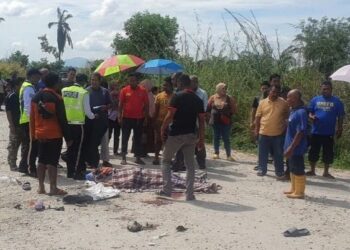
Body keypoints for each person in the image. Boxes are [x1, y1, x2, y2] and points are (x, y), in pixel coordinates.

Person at [157, 74, 205, 201]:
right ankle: (189, 194)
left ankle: (167, 191)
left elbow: (170, 115)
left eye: (176, 83)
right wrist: (201, 139)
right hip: (191, 136)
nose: (175, 85)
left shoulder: (176, 97)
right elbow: (201, 121)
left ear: (180, 83)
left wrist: (163, 128)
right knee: (190, 165)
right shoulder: (198, 100)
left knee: (166, 161)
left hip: (176, 135)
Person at [30, 72, 72, 195]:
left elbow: (31, 118)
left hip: (40, 134)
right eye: (59, 81)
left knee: (41, 160)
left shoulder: (36, 97)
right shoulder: (57, 98)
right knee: (52, 161)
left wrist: (33, 134)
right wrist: (68, 137)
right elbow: (62, 119)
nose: (60, 83)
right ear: (55, 83)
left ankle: (41, 187)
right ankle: (53, 188)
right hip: (54, 134)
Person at [307, 80, 345, 179]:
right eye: (323, 89)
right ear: (321, 89)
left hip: (329, 133)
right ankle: (312, 170)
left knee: (328, 152)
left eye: (327, 89)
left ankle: (326, 172)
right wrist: (311, 116)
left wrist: (340, 128)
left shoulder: (337, 102)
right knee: (313, 151)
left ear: (331, 90)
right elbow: (309, 112)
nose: (325, 91)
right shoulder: (315, 100)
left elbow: (340, 116)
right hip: (316, 131)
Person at [61, 74, 96, 179]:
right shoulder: (84, 92)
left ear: (75, 80)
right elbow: (87, 112)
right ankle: (76, 173)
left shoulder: (64, 90)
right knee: (78, 150)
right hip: (78, 124)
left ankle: (69, 172)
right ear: (85, 82)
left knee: (70, 148)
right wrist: (94, 116)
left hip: (66, 124)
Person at [254, 85, 289, 178]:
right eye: (273, 92)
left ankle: (279, 172)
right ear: (269, 92)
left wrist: (285, 128)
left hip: (278, 134)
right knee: (262, 154)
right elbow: (257, 117)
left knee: (278, 154)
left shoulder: (284, 103)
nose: (275, 94)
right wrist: (256, 130)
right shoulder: (262, 102)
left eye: (277, 92)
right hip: (263, 132)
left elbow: (287, 116)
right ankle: (262, 169)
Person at [118, 73, 149, 165]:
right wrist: (119, 116)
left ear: (137, 81)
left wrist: (146, 117)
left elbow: (147, 105)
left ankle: (138, 157)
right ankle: (123, 157)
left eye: (134, 80)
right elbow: (120, 104)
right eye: (130, 80)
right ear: (128, 81)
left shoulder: (143, 91)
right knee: (124, 138)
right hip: (126, 118)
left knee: (138, 139)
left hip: (139, 119)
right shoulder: (124, 90)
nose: (132, 82)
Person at [283, 89, 308, 199]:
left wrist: (291, 147)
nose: (287, 99)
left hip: (296, 147)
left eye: (289, 97)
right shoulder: (293, 110)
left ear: (296, 98)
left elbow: (300, 132)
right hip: (290, 145)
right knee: (292, 168)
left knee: (298, 168)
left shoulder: (301, 112)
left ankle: (300, 192)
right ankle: (294, 189)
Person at [84, 72, 111, 169]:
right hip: (90, 120)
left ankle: (105, 161)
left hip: (102, 121)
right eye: (92, 80)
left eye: (95, 80)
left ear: (100, 81)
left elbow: (110, 104)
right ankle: (92, 162)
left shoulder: (105, 91)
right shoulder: (86, 91)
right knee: (91, 142)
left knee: (104, 142)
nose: (93, 82)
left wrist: (105, 107)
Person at [18, 68, 41, 176]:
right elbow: (28, 106)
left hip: (26, 120)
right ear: (31, 76)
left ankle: (23, 166)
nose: (38, 79)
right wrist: (33, 120)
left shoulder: (27, 86)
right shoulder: (28, 88)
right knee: (31, 146)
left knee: (28, 145)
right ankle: (29, 168)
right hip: (28, 120)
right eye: (37, 77)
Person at [207, 82, 237, 161]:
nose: (225, 90)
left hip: (226, 122)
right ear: (218, 89)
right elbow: (208, 109)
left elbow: (234, 110)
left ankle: (228, 155)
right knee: (216, 137)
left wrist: (228, 113)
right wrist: (209, 118)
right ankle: (216, 153)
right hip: (215, 121)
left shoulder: (229, 98)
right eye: (223, 88)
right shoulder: (212, 97)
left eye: (225, 88)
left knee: (226, 138)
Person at [153, 77, 173, 165]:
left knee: (169, 141)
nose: (164, 86)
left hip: (171, 122)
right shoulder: (159, 96)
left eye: (166, 85)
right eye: (163, 85)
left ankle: (168, 159)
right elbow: (156, 110)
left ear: (171, 86)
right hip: (160, 122)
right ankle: (156, 157)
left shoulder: (175, 96)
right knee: (158, 140)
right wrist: (154, 121)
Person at [191, 75, 208, 169]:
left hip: (198, 121)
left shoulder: (202, 93)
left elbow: (204, 108)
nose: (191, 83)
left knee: (200, 142)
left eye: (193, 82)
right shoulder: (187, 91)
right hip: (189, 121)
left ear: (196, 83)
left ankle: (201, 162)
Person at [5, 79, 22, 171]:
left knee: (21, 144)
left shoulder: (20, 95)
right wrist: (11, 125)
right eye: (20, 85)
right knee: (13, 145)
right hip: (15, 124)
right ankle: (12, 163)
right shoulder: (11, 96)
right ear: (16, 86)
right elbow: (8, 112)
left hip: (21, 124)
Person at [139, 79, 155, 157]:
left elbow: (152, 106)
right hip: (143, 117)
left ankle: (144, 151)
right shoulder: (143, 94)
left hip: (148, 117)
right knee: (143, 135)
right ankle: (141, 151)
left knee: (146, 135)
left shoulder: (150, 94)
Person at [108, 81, 121, 155]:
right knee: (108, 135)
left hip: (118, 117)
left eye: (117, 85)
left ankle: (115, 151)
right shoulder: (109, 94)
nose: (116, 86)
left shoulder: (120, 94)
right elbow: (110, 104)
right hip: (110, 117)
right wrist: (113, 95)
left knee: (117, 135)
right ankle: (106, 150)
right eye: (115, 85)